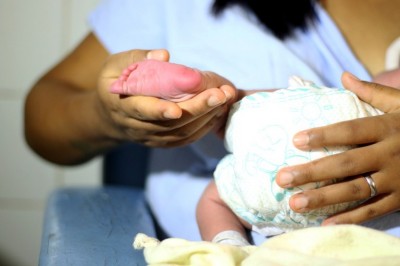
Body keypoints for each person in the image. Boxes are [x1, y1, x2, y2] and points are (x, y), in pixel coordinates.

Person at [24, 0, 400, 248]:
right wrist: (108, 117)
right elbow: (45, 112)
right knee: (225, 118)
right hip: (246, 192)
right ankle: (185, 86)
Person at [196, 73, 385, 246]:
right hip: (366, 166)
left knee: (214, 199)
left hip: (281, 126)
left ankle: (228, 245)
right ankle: (228, 245)